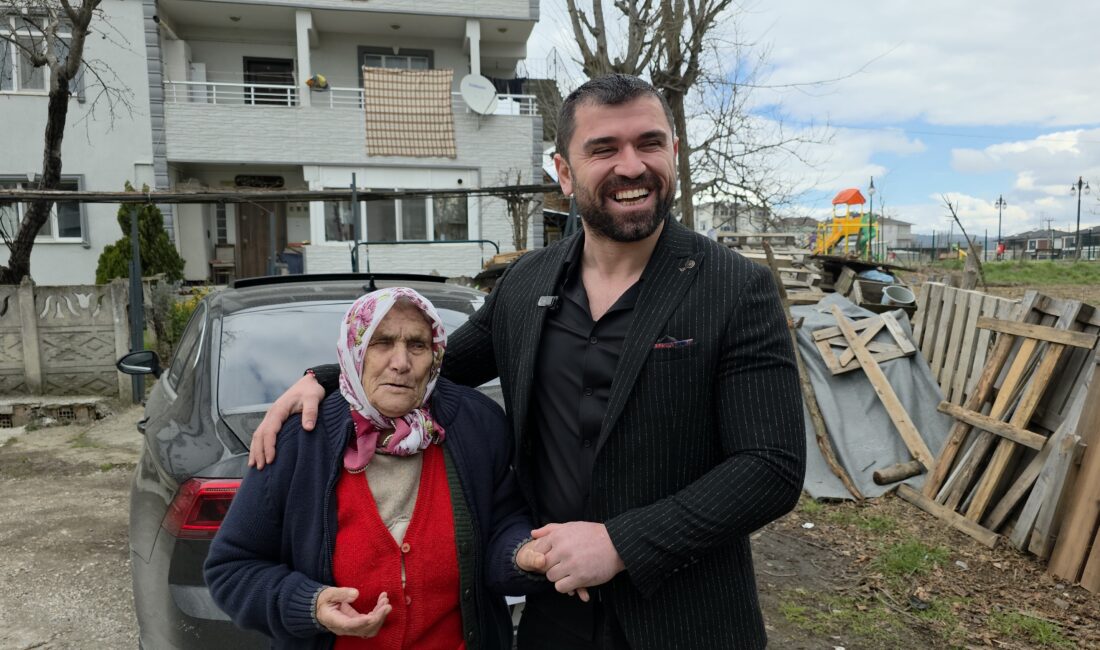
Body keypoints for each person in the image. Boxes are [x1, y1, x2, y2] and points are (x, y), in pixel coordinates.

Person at [249, 74, 806, 649]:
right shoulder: (527, 284)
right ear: (564, 172)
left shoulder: (736, 289)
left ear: (674, 152)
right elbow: (436, 366)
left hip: (688, 620)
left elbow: (771, 467)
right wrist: (322, 378)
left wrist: (620, 544)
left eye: (649, 143)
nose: (632, 166)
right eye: (603, 149)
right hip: (553, 615)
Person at [205, 287, 549, 649]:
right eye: (381, 343)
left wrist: (520, 554)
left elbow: (503, 525)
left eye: (417, 345)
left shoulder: (477, 425)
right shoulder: (301, 439)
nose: (401, 362)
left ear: (435, 356)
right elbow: (231, 569)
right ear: (354, 353)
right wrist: (310, 605)